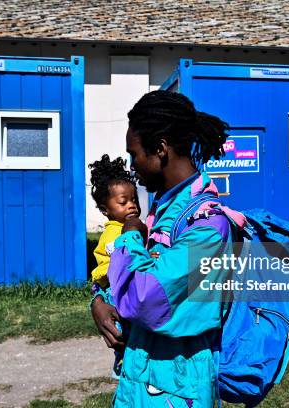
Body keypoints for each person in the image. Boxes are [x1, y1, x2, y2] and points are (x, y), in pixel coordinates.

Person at [90, 90, 241, 407]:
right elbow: (133, 276)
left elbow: (145, 297)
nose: (132, 167)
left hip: (177, 391)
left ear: (160, 149)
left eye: (135, 155)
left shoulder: (207, 227)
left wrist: (130, 236)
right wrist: (99, 300)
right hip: (144, 378)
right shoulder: (165, 213)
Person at [88, 154, 140, 378]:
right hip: (114, 290)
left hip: (118, 287)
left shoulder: (128, 227)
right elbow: (120, 263)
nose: (131, 206)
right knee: (124, 331)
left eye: (133, 200)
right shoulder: (114, 233)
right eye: (123, 202)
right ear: (104, 209)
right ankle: (122, 362)